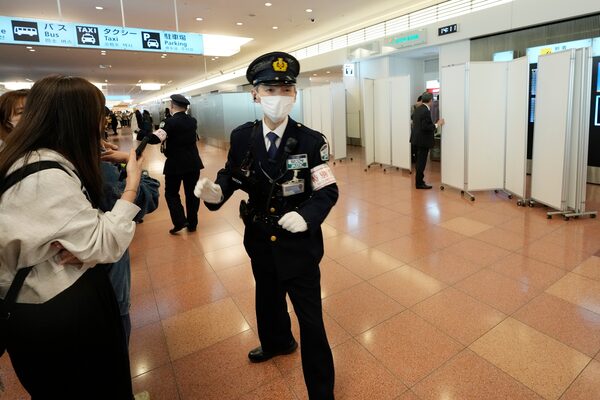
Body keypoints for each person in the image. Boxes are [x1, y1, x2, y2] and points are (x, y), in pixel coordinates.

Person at [194, 51, 337, 399]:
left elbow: (327, 190)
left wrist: (307, 215)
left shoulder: (311, 141)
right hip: (259, 239)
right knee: (268, 297)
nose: (278, 96)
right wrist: (217, 193)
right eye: (270, 89)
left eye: (286, 89)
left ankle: (321, 391)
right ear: (255, 95)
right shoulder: (243, 136)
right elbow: (232, 174)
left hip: (299, 245)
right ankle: (277, 342)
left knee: (311, 320)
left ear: (295, 94)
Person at [0, 75, 143, 398]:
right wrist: (133, 180)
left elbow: (82, 238)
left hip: (49, 304)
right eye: (97, 114)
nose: (102, 122)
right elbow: (104, 242)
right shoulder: (44, 175)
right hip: (57, 313)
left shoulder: (31, 158)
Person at [162, 94, 203, 234]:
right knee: (192, 194)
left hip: (175, 164)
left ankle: (180, 222)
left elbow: (157, 138)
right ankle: (192, 224)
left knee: (171, 193)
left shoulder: (169, 122)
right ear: (186, 107)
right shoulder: (192, 121)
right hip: (193, 163)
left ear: (172, 106)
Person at [410, 92, 444, 189]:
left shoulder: (418, 109)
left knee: (419, 162)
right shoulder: (425, 111)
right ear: (430, 100)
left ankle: (419, 181)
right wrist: (437, 124)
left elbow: (413, 118)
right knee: (421, 162)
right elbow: (426, 126)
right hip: (422, 141)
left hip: (416, 139)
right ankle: (419, 183)